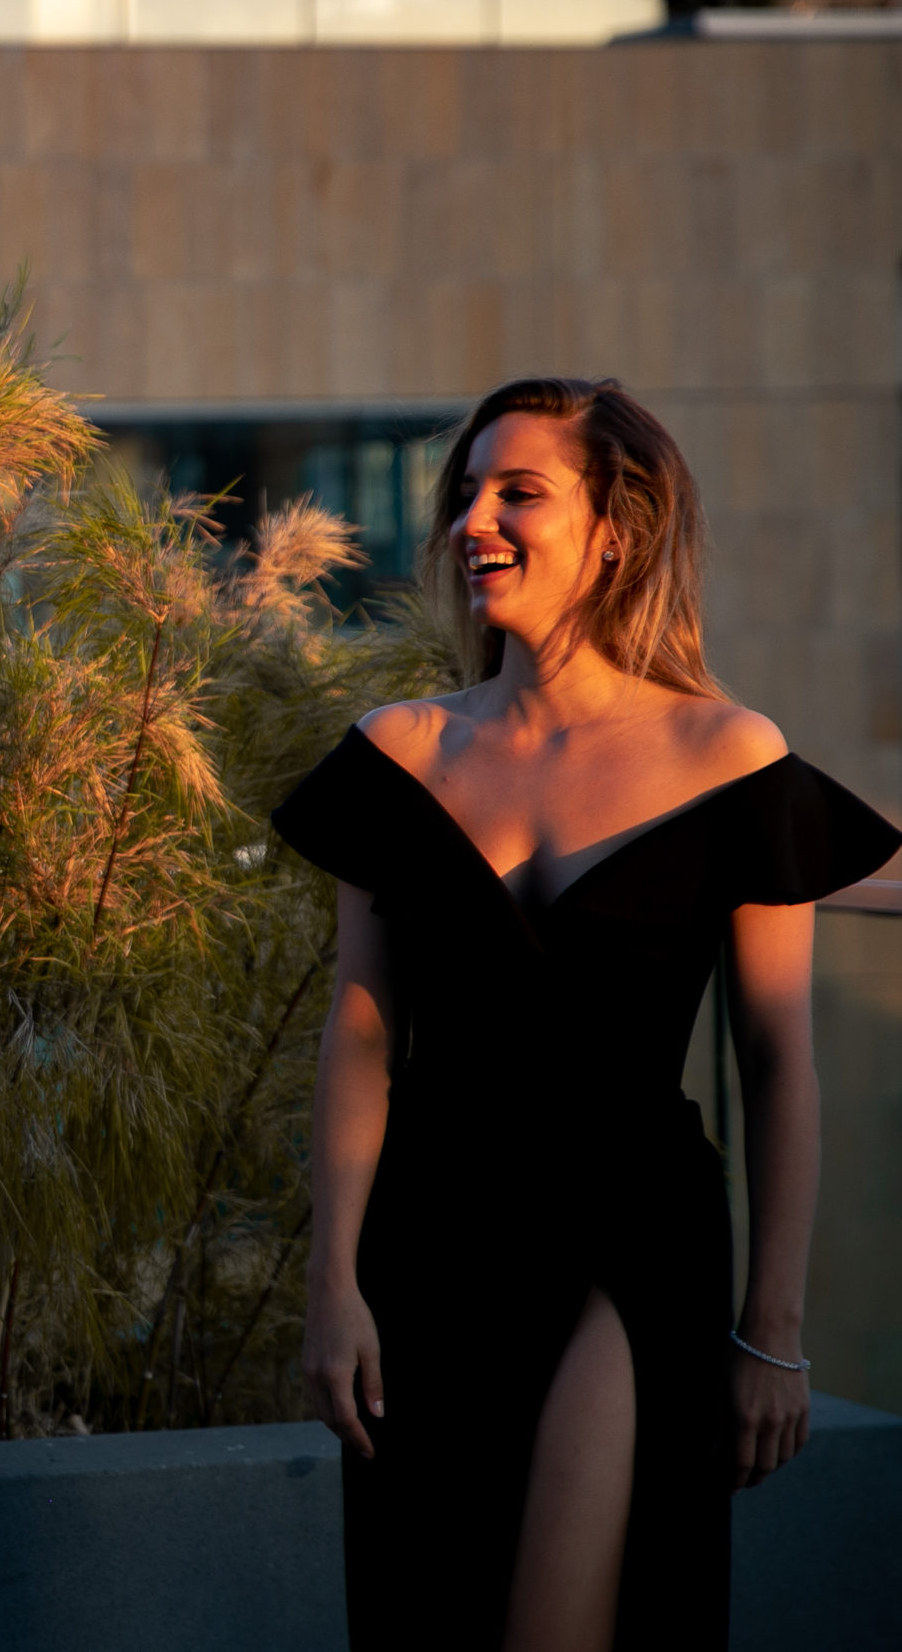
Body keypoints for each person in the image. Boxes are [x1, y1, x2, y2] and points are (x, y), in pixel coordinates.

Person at [271, 377, 898, 1652]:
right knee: (429, 1614)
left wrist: (773, 1333)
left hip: (633, 1233)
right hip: (428, 1243)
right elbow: (361, 1034)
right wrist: (331, 1286)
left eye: (518, 492)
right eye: (466, 492)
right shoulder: (397, 752)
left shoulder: (728, 756)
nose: (472, 520)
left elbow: (777, 1061)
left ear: (614, 532)